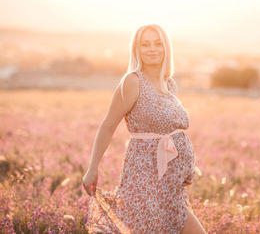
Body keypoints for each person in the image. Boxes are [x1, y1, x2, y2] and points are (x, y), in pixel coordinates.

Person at [82, 24, 206, 233]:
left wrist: (184, 168)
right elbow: (108, 125)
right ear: (136, 50)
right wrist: (92, 168)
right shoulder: (132, 81)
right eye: (145, 44)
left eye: (158, 44)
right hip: (145, 183)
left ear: (166, 48)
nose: (152, 49)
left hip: (170, 188)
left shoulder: (170, 84)